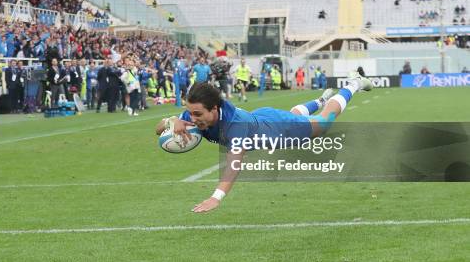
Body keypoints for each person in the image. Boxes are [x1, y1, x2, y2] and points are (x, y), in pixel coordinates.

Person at [155, 72, 372, 213]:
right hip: (263, 119)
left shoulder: (235, 126)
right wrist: (171, 120)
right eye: (189, 113)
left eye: (197, 114)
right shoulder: (195, 113)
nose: (192, 119)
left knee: (323, 123)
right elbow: (158, 132)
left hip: (280, 131)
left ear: (214, 109)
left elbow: (234, 164)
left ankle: (353, 84)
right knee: (293, 115)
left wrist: (216, 197)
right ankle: (320, 100)